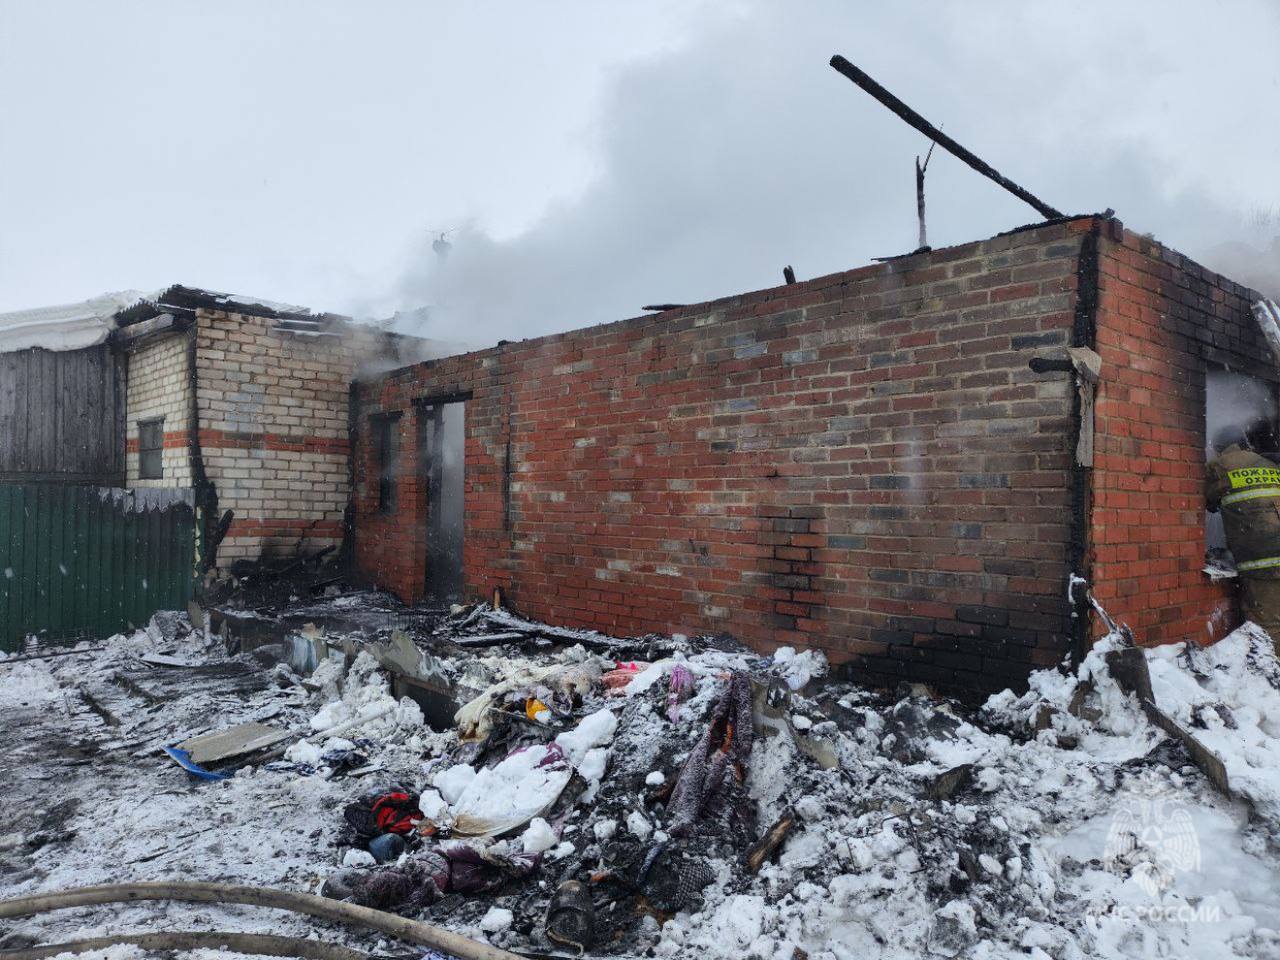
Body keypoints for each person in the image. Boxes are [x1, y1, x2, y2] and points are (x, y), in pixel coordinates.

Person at [1206, 422, 1280, 641]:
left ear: (1219, 448)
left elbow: (1203, 498)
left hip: (1264, 564)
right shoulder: (1269, 464)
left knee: (1267, 629)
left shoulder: (1220, 467)